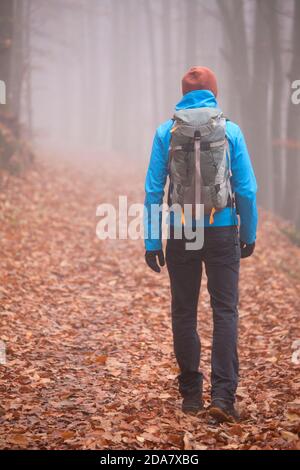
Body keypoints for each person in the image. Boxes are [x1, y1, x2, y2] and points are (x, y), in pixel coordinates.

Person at [144, 66, 258, 423]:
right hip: (222, 228)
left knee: (184, 311)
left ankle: (191, 394)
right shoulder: (230, 130)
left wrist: (152, 240)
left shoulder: (167, 131)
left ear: (183, 93)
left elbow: (153, 190)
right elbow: (247, 190)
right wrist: (248, 233)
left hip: (181, 232)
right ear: (213, 92)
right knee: (224, 312)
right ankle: (223, 397)